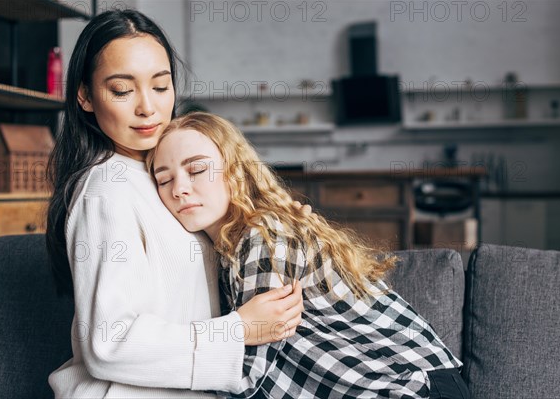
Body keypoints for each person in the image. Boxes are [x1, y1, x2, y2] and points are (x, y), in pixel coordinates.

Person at [46, 10, 304, 398]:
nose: (147, 107)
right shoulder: (107, 189)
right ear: (85, 95)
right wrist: (238, 329)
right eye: (122, 90)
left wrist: (280, 223)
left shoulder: (162, 175)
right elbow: (109, 345)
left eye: (161, 86)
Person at [147, 112, 471, 399]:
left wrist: (146, 357)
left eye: (197, 170)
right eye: (164, 179)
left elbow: (247, 376)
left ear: (235, 171)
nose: (179, 188)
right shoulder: (229, 253)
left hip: (413, 387)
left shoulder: (262, 235)